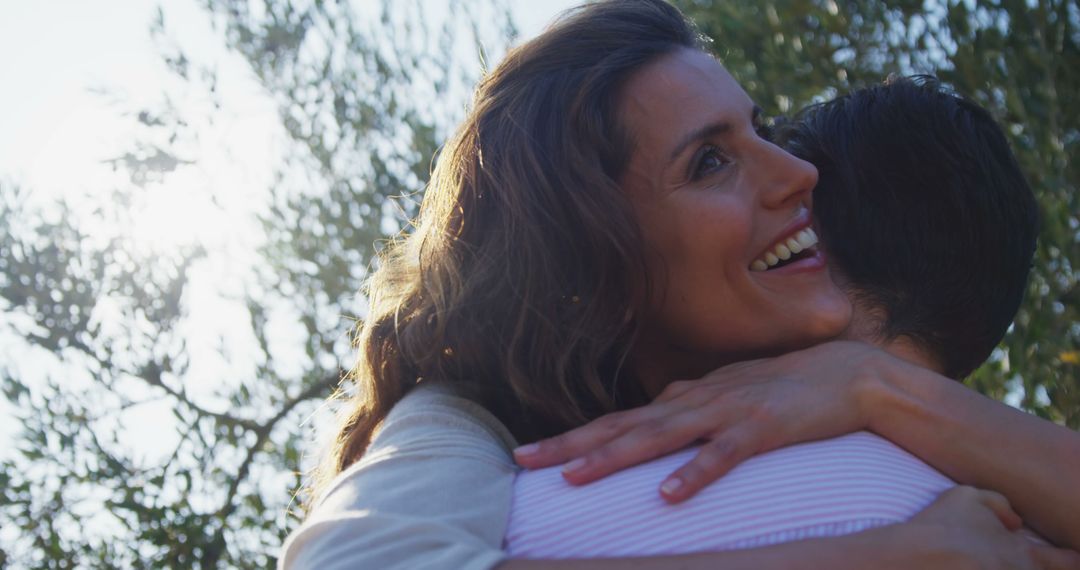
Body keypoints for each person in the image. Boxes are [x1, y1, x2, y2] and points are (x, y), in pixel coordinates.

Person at [279, 2, 1080, 569]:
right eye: (710, 162)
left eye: (761, 131)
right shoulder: (465, 423)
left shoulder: (968, 470)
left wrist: (876, 387)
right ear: (598, 266)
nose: (798, 172)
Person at [505, 75, 1049, 558]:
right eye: (711, 162)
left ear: (805, 246)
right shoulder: (1031, 527)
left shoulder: (526, 508)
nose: (795, 175)